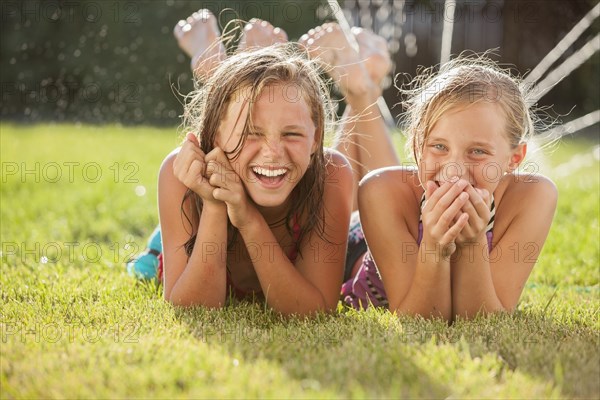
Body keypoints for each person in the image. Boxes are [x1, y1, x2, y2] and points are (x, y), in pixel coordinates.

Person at [147, 11, 356, 316]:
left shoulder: (331, 174)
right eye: (250, 133)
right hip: (185, 229)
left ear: (316, 138)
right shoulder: (180, 176)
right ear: (214, 136)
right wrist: (215, 203)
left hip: (261, 184)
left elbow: (313, 311)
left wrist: (246, 217)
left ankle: (219, 64)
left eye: (292, 134)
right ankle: (212, 62)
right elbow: (195, 309)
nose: (273, 152)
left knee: (250, 98)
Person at [341, 55, 558, 321]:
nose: (454, 170)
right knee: (361, 184)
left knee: (387, 184)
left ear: (514, 158)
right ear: (417, 147)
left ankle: (364, 87)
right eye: (439, 146)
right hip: (360, 241)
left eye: (478, 151)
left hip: (401, 213)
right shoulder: (380, 191)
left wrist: (472, 243)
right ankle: (359, 91)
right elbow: (418, 319)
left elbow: (482, 319)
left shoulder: (532, 196)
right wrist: (433, 246)